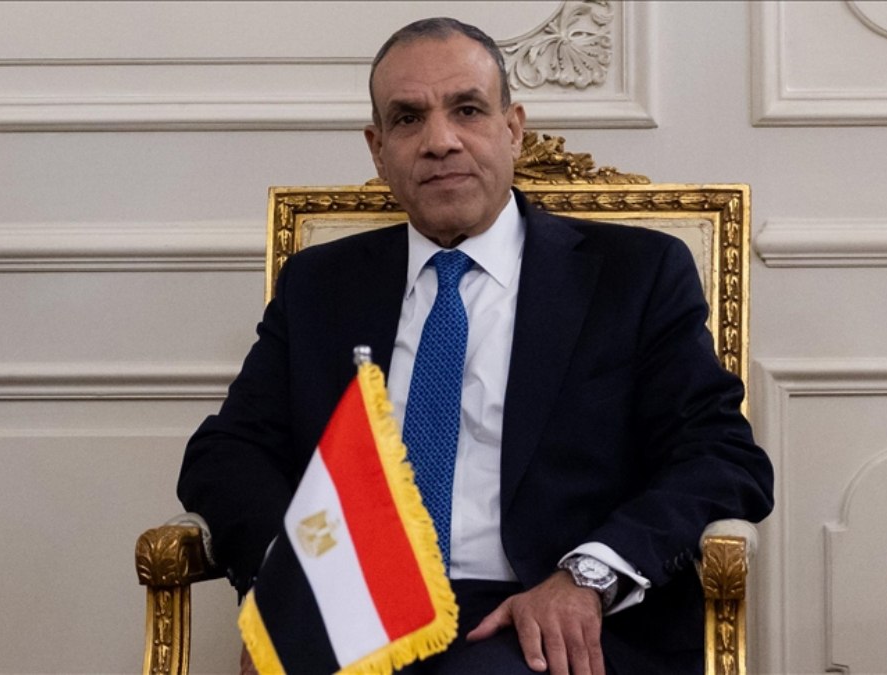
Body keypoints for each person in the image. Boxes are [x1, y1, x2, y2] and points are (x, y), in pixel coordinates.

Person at [178, 17, 773, 675]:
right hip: (359, 608)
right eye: (408, 119)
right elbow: (227, 452)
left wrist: (587, 575)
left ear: (513, 128)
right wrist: (296, 577)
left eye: (467, 109)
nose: (440, 141)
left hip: (540, 612)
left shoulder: (634, 273)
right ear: (378, 149)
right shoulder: (320, 284)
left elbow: (719, 456)